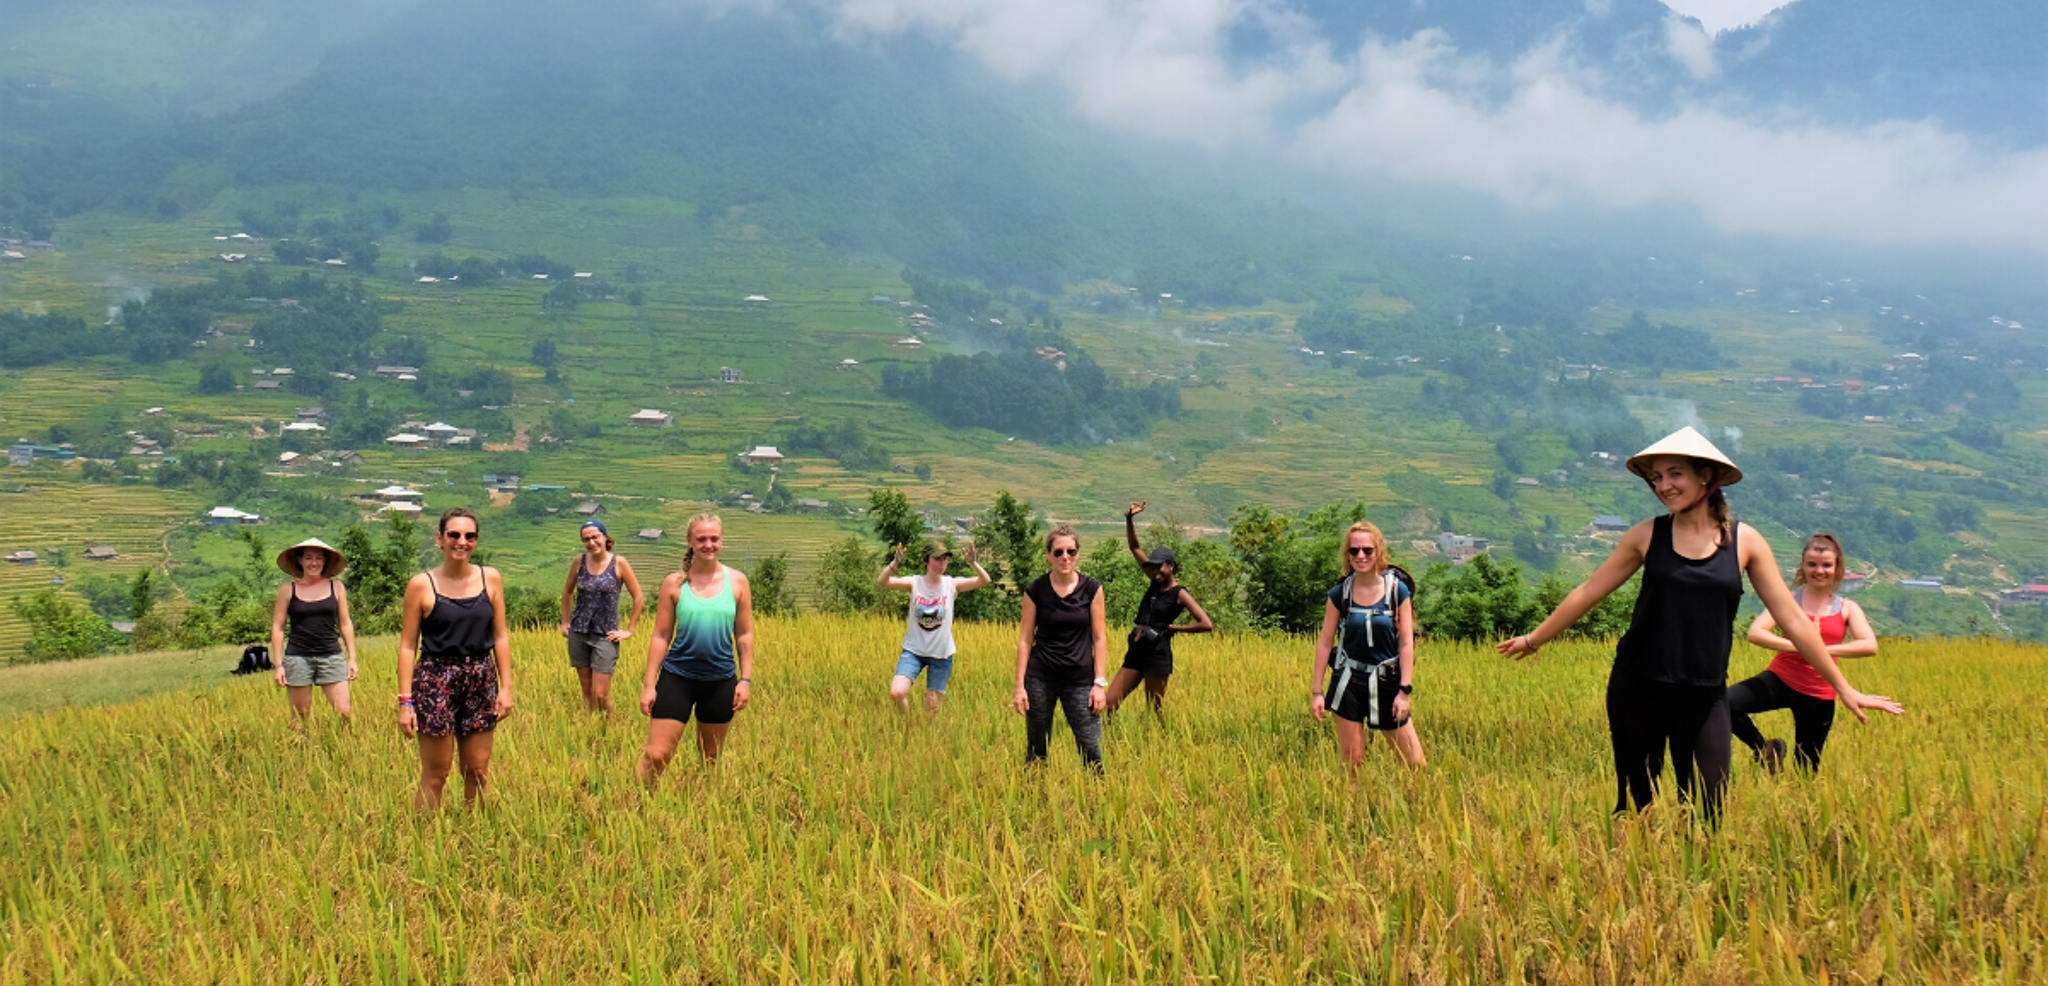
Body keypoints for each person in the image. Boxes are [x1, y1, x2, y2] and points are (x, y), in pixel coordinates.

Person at [1497, 427, 1901, 820]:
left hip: (1704, 693)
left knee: (1709, 807)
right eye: (1657, 477)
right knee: (1637, 803)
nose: (1664, 485)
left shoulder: (1746, 542)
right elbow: (1589, 591)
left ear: (1705, 476)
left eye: (1675, 473)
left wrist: (1842, 687)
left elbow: (1793, 618)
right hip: (1639, 685)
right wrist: (1535, 639)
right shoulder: (1645, 535)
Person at [397, 508, 515, 809]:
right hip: (435, 678)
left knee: (476, 770)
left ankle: (475, 834)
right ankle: (424, 840)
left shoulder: (491, 579)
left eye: (469, 536)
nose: (461, 541)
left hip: (481, 675)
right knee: (436, 773)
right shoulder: (421, 585)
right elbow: (408, 645)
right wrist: (405, 702)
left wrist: (506, 688)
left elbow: (500, 635)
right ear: (439, 538)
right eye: (454, 535)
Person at [1730, 533, 1878, 774]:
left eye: (1826, 565)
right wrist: (1800, 647)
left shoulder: (1848, 608)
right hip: (1780, 679)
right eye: (1812, 564)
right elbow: (1756, 633)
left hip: (1819, 692)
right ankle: (1765, 750)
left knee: (1806, 770)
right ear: (1803, 566)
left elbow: (1869, 645)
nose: (1819, 570)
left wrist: (1821, 651)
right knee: (1725, 705)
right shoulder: (1787, 601)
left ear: (1837, 567)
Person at [638, 514, 755, 784]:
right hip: (677, 677)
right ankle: (639, 807)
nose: (708, 544)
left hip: (720, 680)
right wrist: (649, 684)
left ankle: (705, 812)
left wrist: (745, 680)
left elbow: (744, 634)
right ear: (690, 542)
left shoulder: (737, 582)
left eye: (714, 539)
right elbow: (660, 636)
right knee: (657, 755)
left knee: (710, 758)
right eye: (701, 539)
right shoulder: (675, 583)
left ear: (721, 541)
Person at [1311, 521, 1425, 769]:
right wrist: (1317, 692)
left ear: (1378, 552)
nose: (1360, 556)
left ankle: (1415, 804)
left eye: (1367, 550)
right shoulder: (1339, 593)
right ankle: (1351, 808)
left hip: (1387, 682)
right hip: (1348, 681)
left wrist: (1404, 691)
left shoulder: (1397, 591)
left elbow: (1407, 643)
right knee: (1353, 761)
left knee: (1415, 764)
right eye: (1354, 551)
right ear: (1347, 555)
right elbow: (1324, 642)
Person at [1013, 525, 1109, 768]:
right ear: (1048, 555)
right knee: (1037, 747)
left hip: (1080, 679)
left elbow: (1100, 638)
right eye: (1058, 552)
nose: (1065, 557)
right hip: (1040, 677)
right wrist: (1019, 687)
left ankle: (1098, 797)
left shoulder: (1092, 589)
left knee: (1090, 746)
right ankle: (1034, 798)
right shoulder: (1035, 591)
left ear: (1077, 553)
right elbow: (1025, 639)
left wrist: (1099, 683)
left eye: (1071, 551)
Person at [1105, 501, 1213, 717]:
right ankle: (1105, 741)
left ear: (1170, 566)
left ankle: (1158, 744)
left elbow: (1206, 624)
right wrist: (1129, 519)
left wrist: (1174, 628)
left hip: (1157, 652)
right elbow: (1135, 548)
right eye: (1152, 567)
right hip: (1137, 647)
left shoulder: (1179, 593)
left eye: (1159, 566)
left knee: (1154, 710)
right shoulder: (1154, 582)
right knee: (1109, 702)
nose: (1155, 570)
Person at [877, 539, 993, 713]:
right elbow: (883, 581)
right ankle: (907, 723)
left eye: (945, 558)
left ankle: (923, 736)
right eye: (937, 558)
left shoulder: (951, 585)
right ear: (926, 561)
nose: (942, 563)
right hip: (914, 651)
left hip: (941, 655)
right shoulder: (915, 583)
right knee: (897, 693)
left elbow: (985, 580)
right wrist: (895, 563)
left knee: (931, 711)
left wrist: (973, 563)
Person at [269, 538, 360, 728]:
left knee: (344, 711)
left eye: (319, 558)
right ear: (300, 560)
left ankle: (345, 749)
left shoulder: (337, 587)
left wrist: (352, 658)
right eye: (309, 557)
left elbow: (345, 623)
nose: (314, 563)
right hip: (297, 657)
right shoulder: (288, 590)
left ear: (325, 561)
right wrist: (278, 665)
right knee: (301, 715)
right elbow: (278, 628)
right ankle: (303, 752)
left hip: (331, 654)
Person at [558, 520, 645, 713]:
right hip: (578, 632)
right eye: (586, 539)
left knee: (601, 693)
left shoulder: (619, 563)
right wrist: (565, 621)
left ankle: (609, 728)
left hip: (606, 635)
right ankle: (592, 729)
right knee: (587, 691)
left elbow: (638, 597)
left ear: (605, 537)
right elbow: (567, 592)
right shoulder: (579, 561)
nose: (591, 542)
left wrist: (629, 630)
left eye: (595, 537)